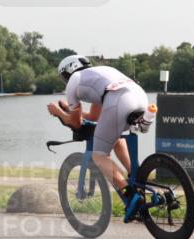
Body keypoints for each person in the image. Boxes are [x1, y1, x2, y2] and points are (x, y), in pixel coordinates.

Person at [47, 54, 150, 221]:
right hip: (140, 98)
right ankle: (135, 176)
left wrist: (58, 111)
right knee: (113, 136)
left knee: (98, 156)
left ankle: (131, 195)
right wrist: (69, 109)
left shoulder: (74, 80)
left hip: (118, 101)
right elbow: (95, 115)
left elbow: (76, 124)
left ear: (68, 72)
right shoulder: (101, 72)